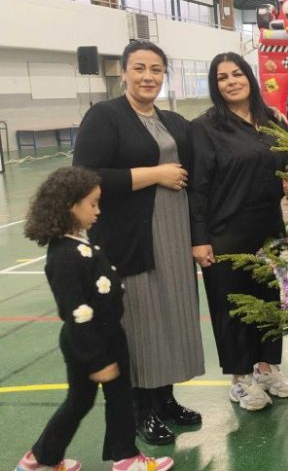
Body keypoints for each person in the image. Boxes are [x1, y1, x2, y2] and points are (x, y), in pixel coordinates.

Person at [73, 40, 204, 445]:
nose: (149, 77)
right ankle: (139, 410)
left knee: (172, 317)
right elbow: (87, 176)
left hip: (173, 236)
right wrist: (155, 174)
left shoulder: (173, 120)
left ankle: (165, 399)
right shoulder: (105, 116)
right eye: (140, 68)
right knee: (140, 324)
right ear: (124, 73)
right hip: (131, 240)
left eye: (156, 70)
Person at [17, 166, 173, 471]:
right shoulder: (64, 256)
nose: (98, 211)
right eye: (92, 204)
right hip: (91, 341)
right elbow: (74, 312)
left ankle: (41, 458)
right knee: (111, 399)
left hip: (105, 335)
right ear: (70, 207)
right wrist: (97, 359)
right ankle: (124, 457)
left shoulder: (77, 241)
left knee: (85, 400)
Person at [189, 52, 288, 411]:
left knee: (268, 304)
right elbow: (199, 187)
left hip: (267, 230)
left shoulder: (272, 121)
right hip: (225, 232)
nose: (231, 81)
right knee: (231, 309)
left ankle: (266, 368)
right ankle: (240, 379)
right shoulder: (205, 128)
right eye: (222, 77)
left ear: (249, 77)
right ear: (215, 85)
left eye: (237, 74)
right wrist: (199, 238)